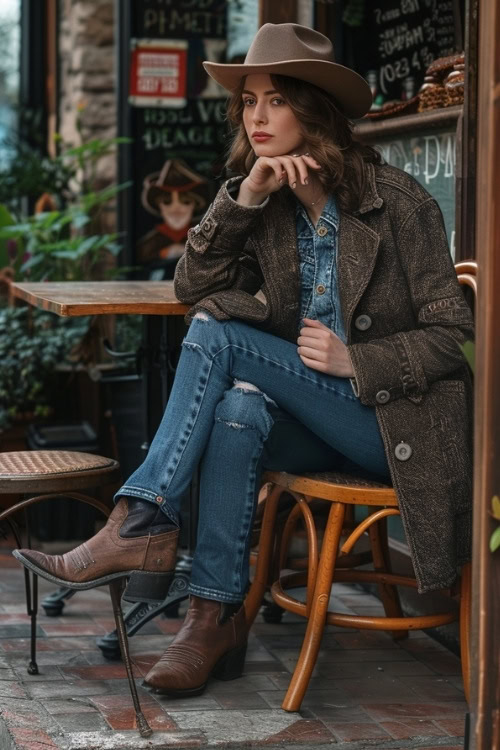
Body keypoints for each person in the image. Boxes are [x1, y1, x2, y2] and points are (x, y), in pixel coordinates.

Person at [13, 23, 473, 699]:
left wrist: (357, 360)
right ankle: (212, 618)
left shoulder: (399, 204)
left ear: (312, 111)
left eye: (274, 101)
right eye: (248, 101)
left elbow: (454, 336)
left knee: (221, 334)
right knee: (235, 409)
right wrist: (246, 197)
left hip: (393, 427)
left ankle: (142, 521)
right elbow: (189, 285)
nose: (256, 117)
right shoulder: (268, 203)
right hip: (314, 418)